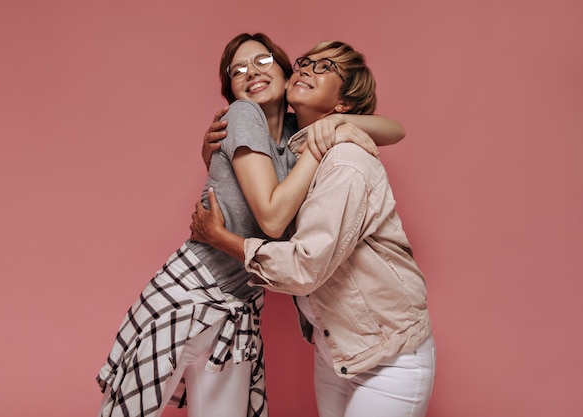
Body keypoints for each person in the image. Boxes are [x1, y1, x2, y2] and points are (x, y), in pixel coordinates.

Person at [96, 33, 405, 417]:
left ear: (285, 71)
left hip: (241, 304)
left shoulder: (297, 131)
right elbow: (273, 221)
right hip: (192, 289)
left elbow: (394, 130)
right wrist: (321, 143)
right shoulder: (246, 116)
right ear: (233, 90)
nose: (251, 72)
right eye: (237, 70)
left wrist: (339, 120)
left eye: (262, 60)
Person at [191, 40, 435, 417]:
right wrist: (213, 153)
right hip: (335, 350)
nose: (308, 69)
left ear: (344, 103)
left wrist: (224, 241)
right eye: (306, 62)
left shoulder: (344, 160)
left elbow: (304, 266)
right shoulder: (291, 145)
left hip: (388, 356)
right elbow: (391, 129)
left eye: (325, 69)